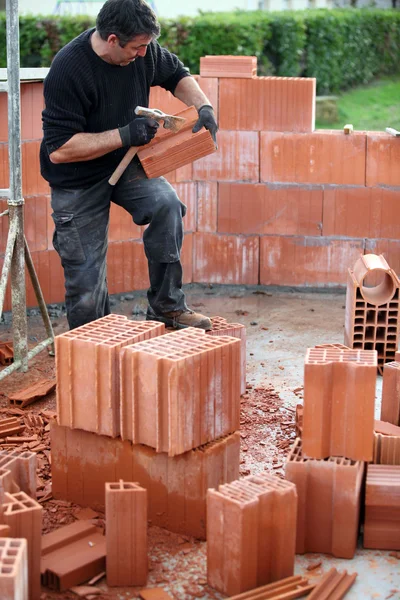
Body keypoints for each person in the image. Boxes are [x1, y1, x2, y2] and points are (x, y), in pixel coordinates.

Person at [40, 0, 218, 331]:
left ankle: (167, 307)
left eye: (145, 47)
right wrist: (124, 134)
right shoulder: (68, 69)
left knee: (166, 206)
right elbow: (60, 150)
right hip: (76, 178)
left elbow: (176, 74)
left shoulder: (143, 50)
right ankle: (92, 344)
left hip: (124, 164)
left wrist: (203, 105)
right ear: (111, 39)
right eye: (136, 48)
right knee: (86, 280)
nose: (141, 54)